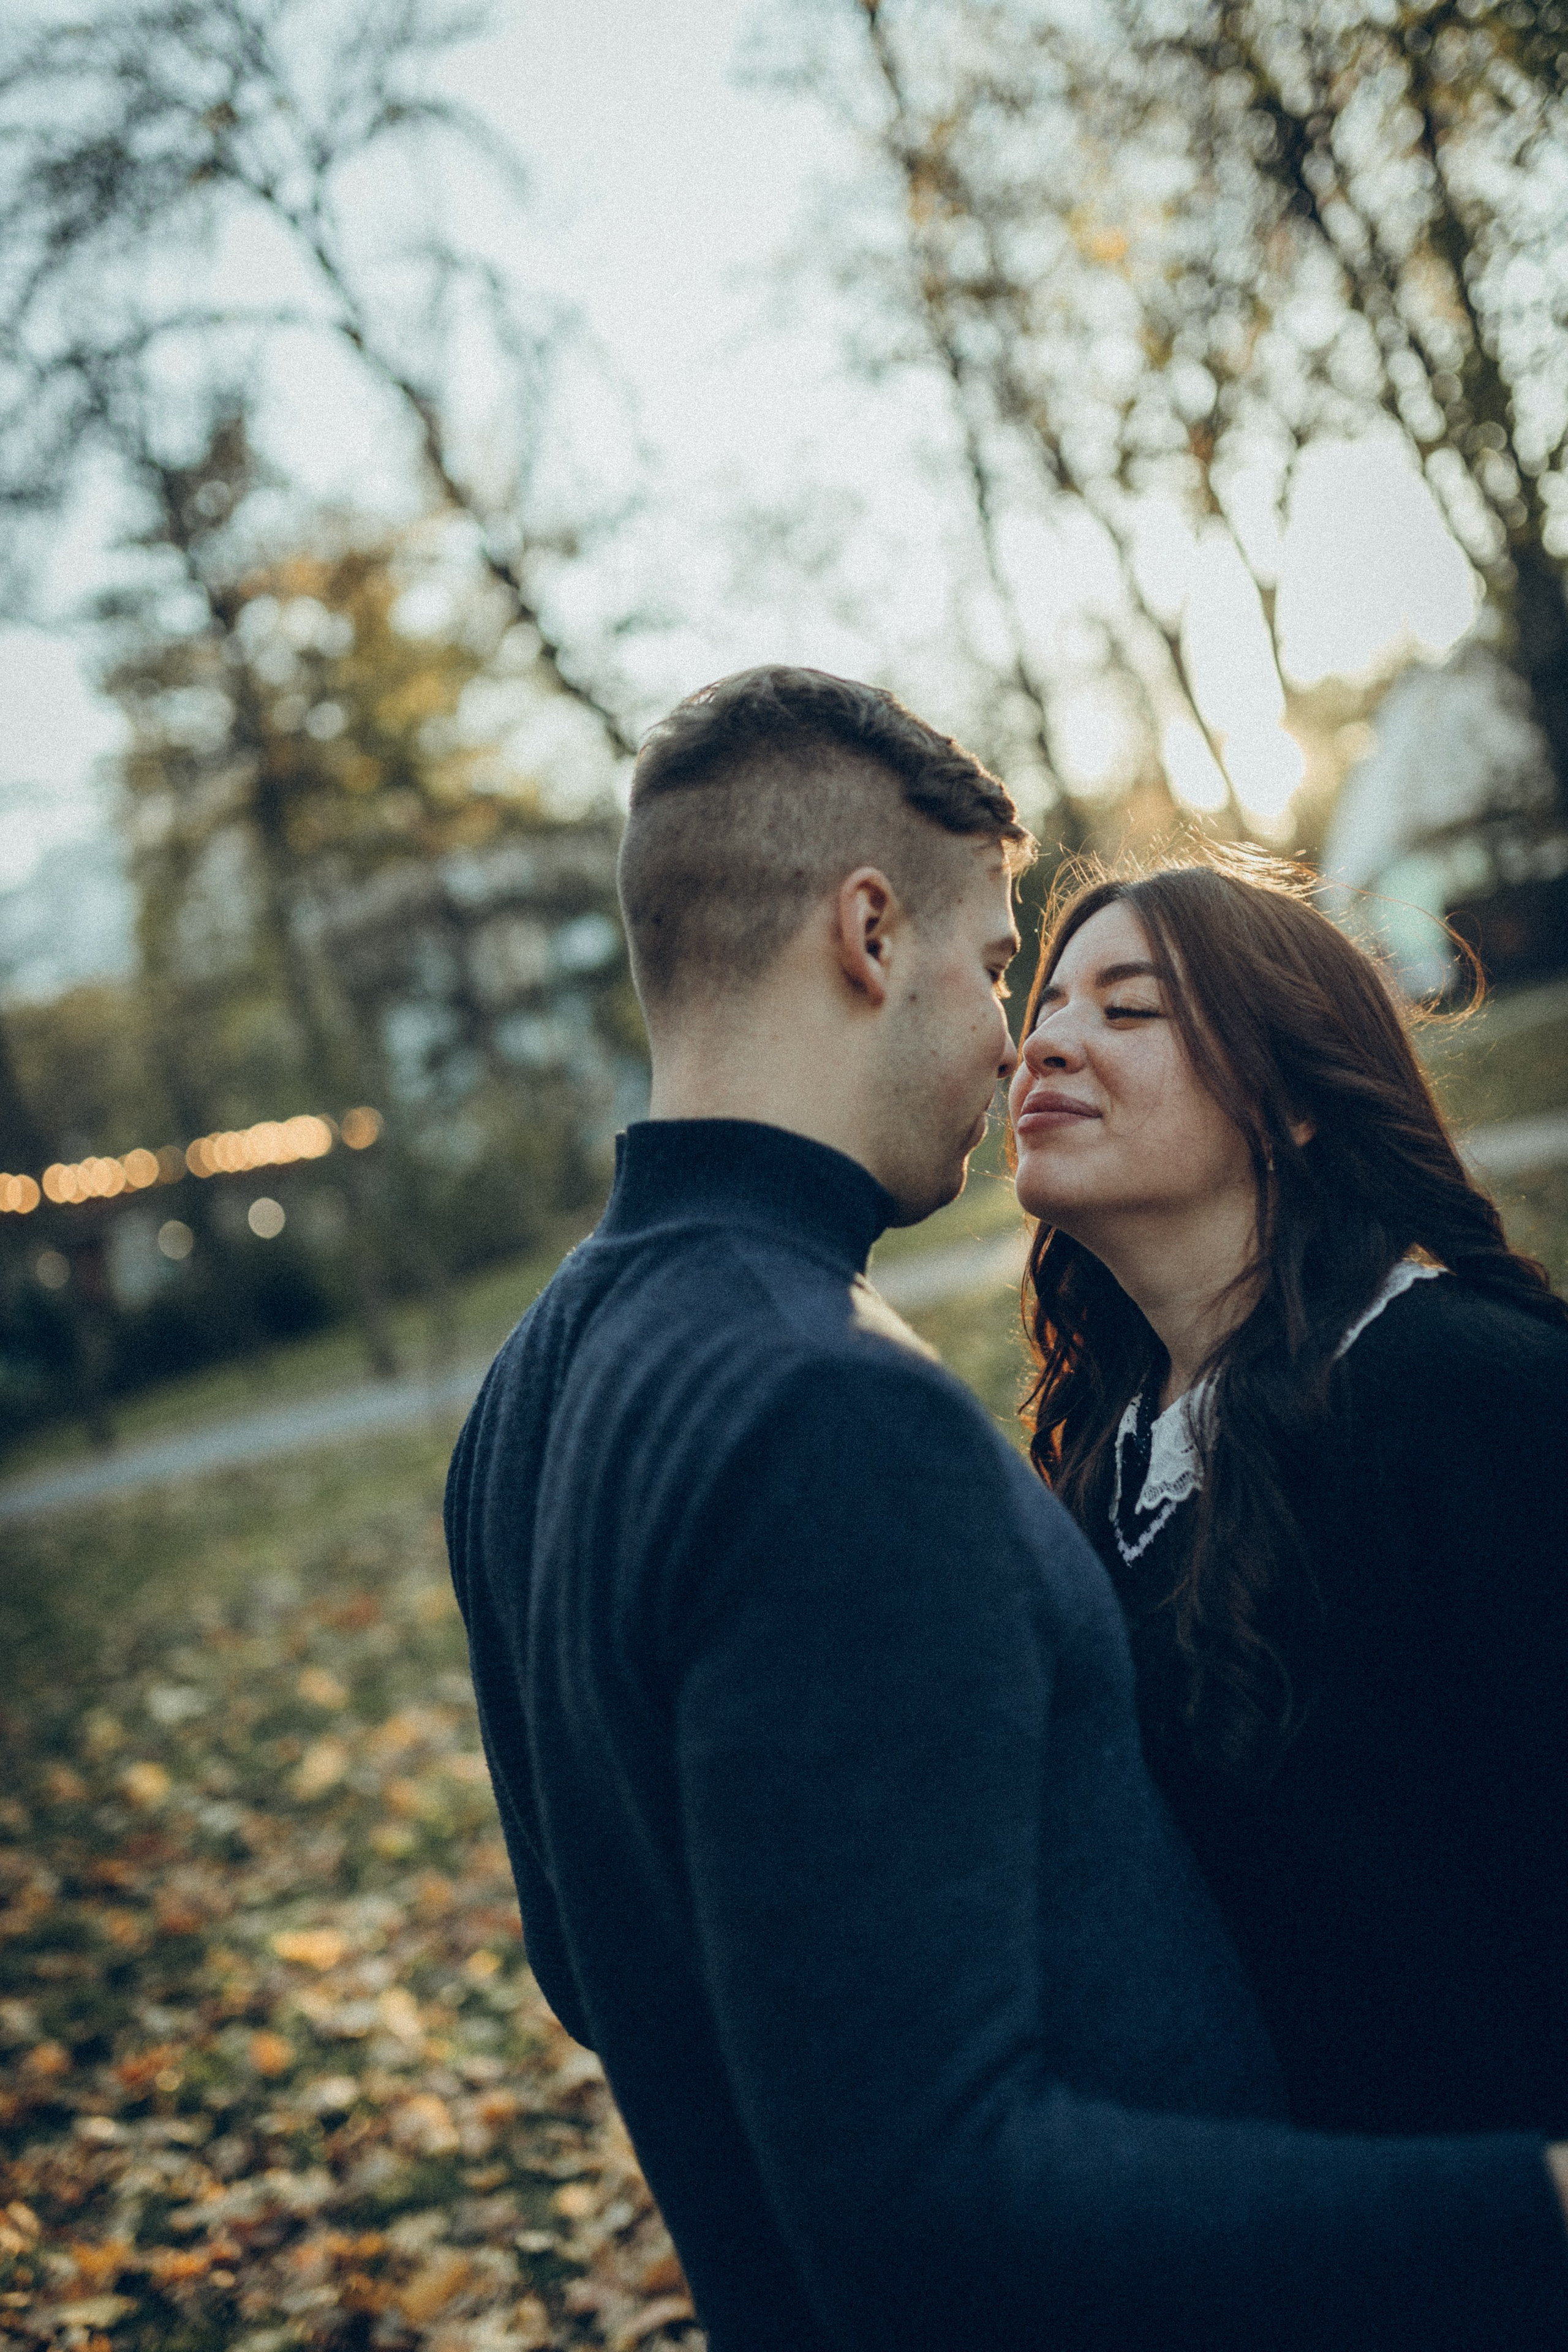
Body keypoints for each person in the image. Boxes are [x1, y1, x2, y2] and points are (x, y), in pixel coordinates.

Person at [446, 669, 1568, 2352]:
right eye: (1001, 969)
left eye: (1121, 1007)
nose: (1018, 1036)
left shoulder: (524, 1396)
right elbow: (934, 2179)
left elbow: (597, 1975)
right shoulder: (836, 1408)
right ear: (867, 933)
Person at [1011, 854, 1568, 2144]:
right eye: (1046, 1004)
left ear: (1293, 1099)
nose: (1043, 1043)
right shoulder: (1107, 1463)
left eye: (1127, 1008)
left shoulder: (1466, 1391)